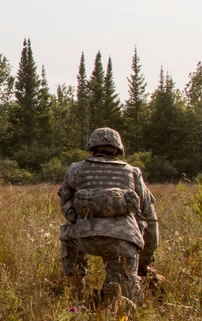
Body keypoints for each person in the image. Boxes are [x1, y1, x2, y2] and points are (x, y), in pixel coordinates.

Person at [58, 127, 159, 309]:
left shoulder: (77, 169)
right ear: (118, 150)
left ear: (92, 148)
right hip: (123, 241)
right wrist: (144, 262)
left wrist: (74, 218)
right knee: (123, 298)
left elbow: (65, 201)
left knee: (67, 230)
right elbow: (150, 219)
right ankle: (113, 298)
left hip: (83, 237)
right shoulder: (132, 172)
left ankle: (76, 289)